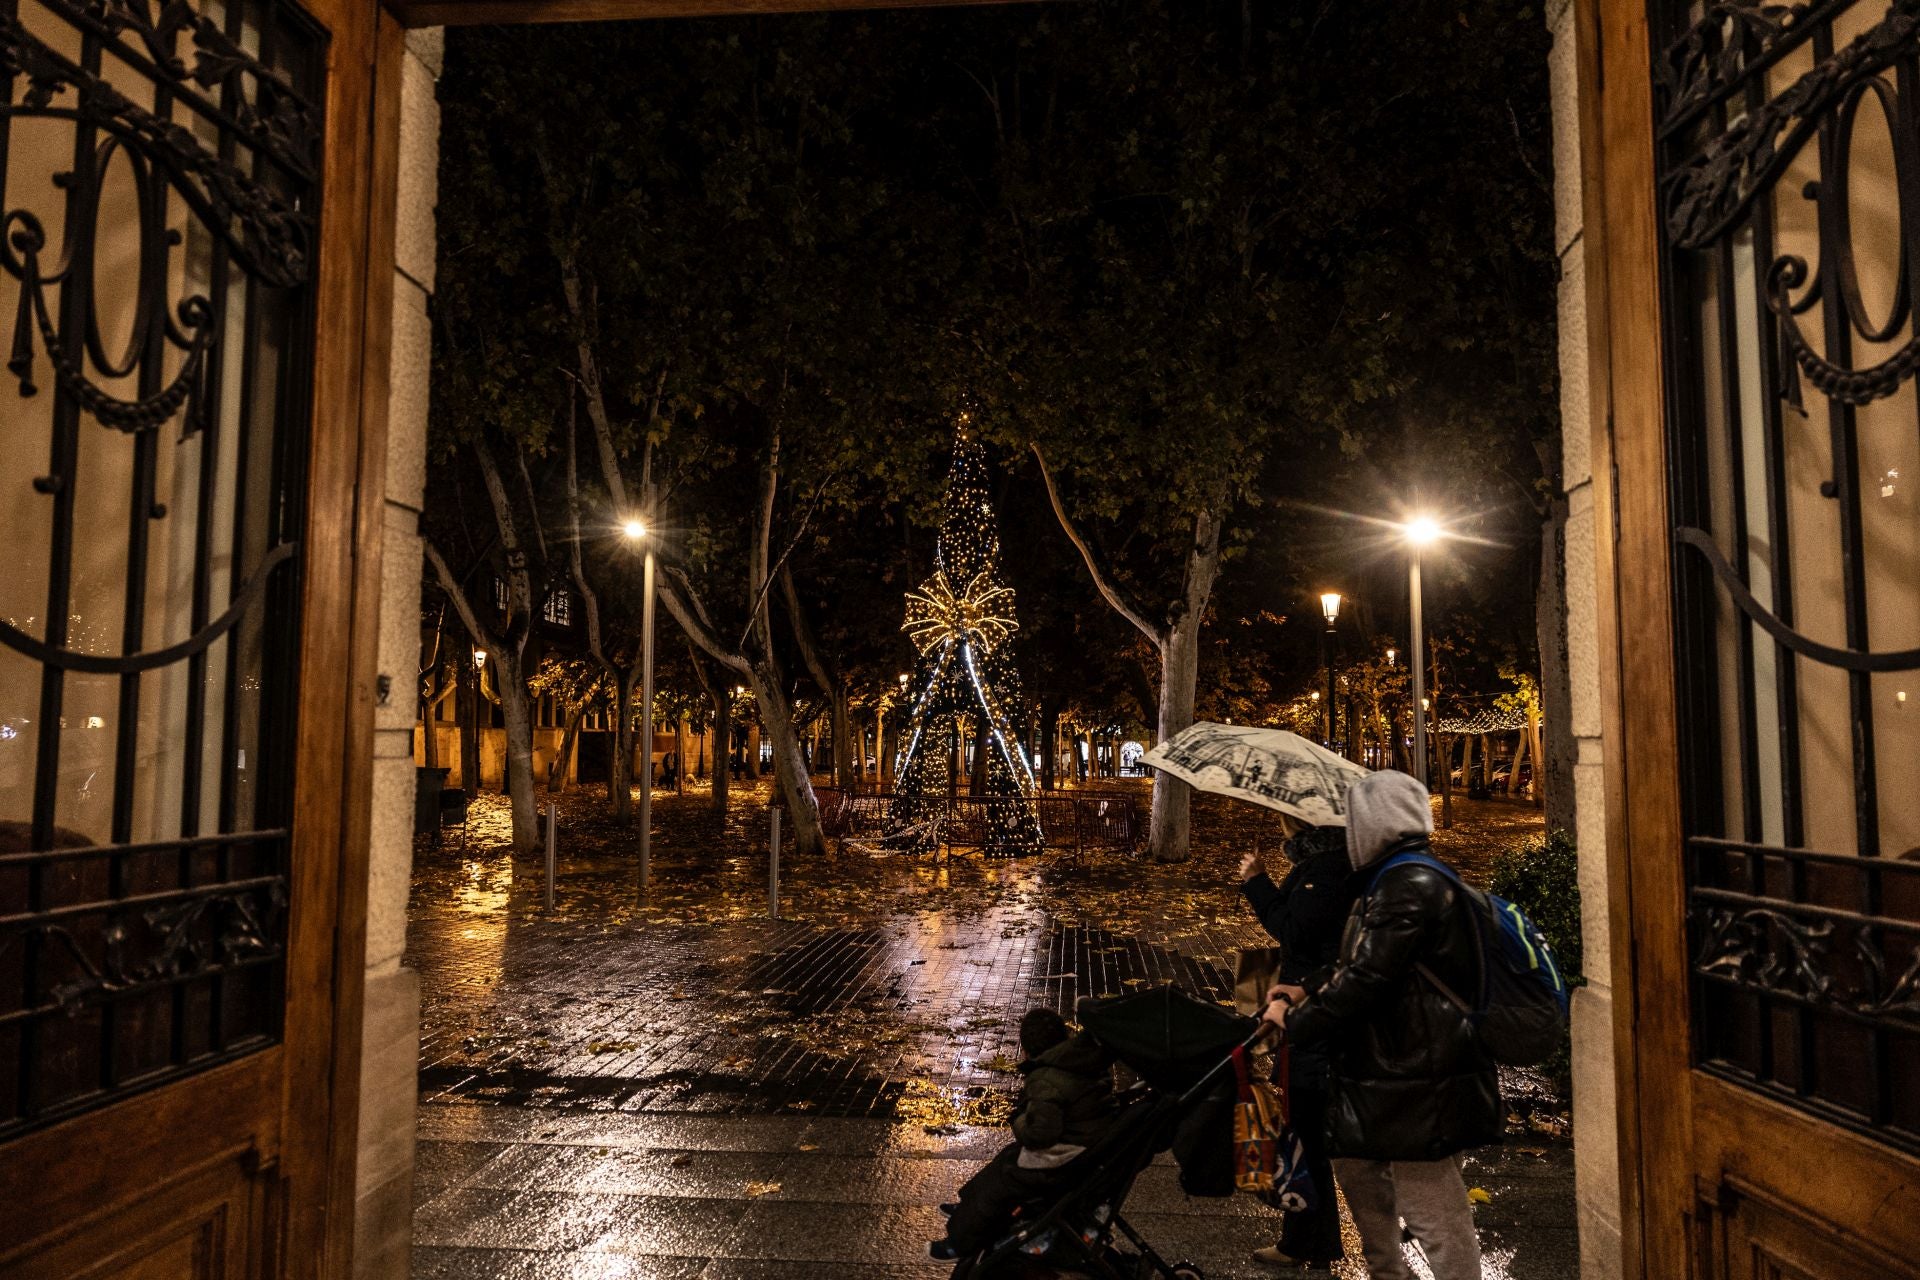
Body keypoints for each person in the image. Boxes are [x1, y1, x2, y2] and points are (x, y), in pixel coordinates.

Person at [1263, 770, 1500, 1280]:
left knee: (1432, 1207)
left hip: (1418, 1075)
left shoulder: (1409, 885)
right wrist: (1308, 987)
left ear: (1374, 823)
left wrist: (1297, 1020)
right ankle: (1389, 1272)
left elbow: (1367, 978)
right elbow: (1364, 960)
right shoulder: (1397, 878)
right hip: (1392, 1068)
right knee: (1358, 1169)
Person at [1239, 825, 1361, 1271]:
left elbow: (1293, 930)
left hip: (1310, 1018)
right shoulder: (1327, 864)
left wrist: (1256, 882)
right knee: (1307, 1133)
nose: (1280, 821)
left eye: (1285, 815)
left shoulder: (1326, 870)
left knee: (1305, 1132)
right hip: (1312, 1012)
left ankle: (1305, 1243)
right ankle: (1314, 1242)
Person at [930, 1008, 1117, 1260]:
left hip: (1067, 1158)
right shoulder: (1082, 1062)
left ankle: (958, 1242)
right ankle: (969, 1209)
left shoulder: (1046, 1078)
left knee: (1004, 1179)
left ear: (1027, 1050)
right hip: (1085, 1146)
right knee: (1008, 1156)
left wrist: (1018, 1120)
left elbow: (1039, 1135)